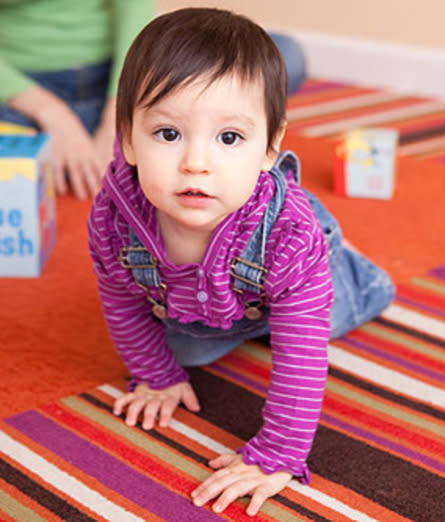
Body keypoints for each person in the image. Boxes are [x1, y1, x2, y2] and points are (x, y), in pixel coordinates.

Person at [88, 8, 395, 516]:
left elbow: (302, 358)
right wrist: (156, 374)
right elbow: (120, 297)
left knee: (329, 317)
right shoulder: (113, 216)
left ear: (271, 147)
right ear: (127, 139)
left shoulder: (289, 237)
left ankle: (353, 271)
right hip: (207, 303)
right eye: (168, 134)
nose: (196, 162)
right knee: (180, 359)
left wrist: (278, 455)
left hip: (295, 267)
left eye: (229, 138)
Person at [0, 1, 306, 201]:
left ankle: (145, 122)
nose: (195, 165)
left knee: (285, 55)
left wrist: (118, 112)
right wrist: (51, 112)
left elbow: (134, 9)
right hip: (20, 89)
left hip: (122, 72)